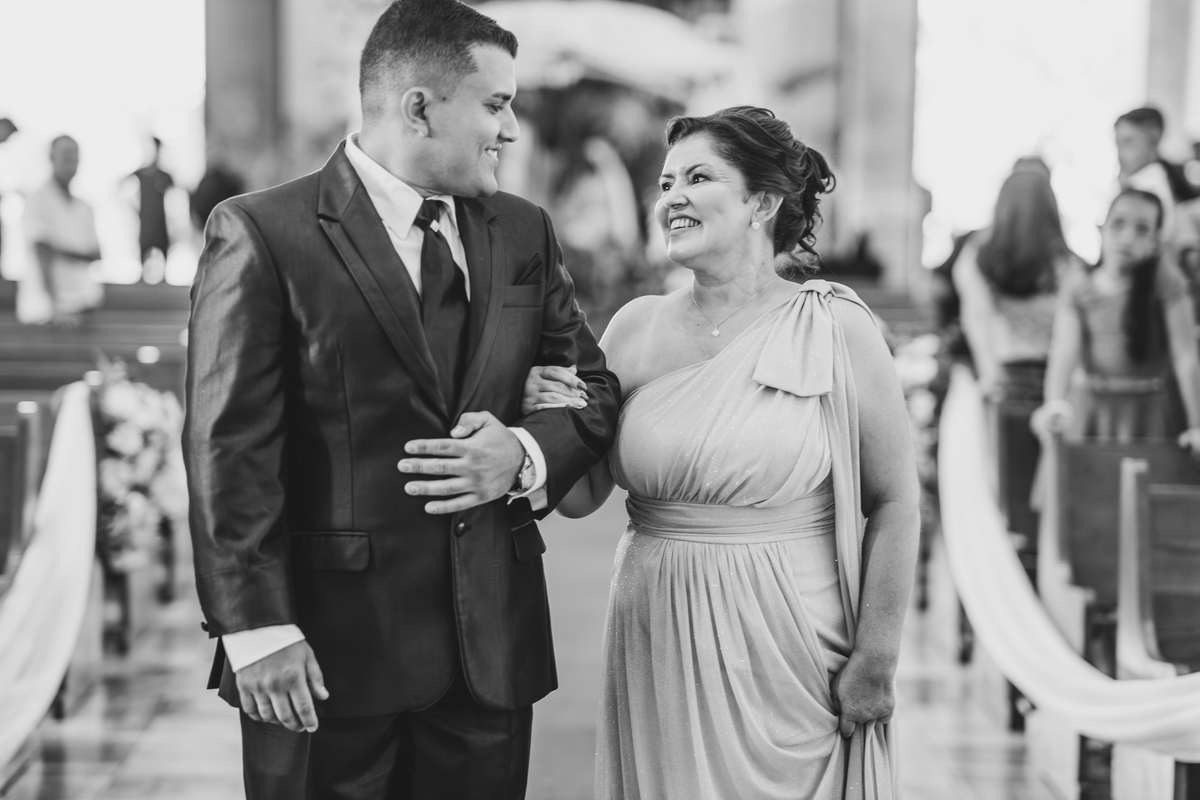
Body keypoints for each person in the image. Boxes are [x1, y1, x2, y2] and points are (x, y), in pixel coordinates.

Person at [183, 1, 621, 797]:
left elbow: (592, 388)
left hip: (490, 648)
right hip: (324, 654)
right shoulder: (263, 232)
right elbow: (229, 446)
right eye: (496, 104)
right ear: (419, 107)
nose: (511, 129)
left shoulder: (523, 232)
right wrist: (256, 629)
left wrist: (522, 453)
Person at [525, 106, 919, 799]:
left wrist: (877, 656)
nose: (671, 197)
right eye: (666, 183)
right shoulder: (634, 328)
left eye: (698, 178)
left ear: (762, 203)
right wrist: (542, 414)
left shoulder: (836, 326)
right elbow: (582, 495)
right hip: (657, 636)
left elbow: (894, 500)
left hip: (790, 646)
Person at [1033, 190, 1200, 452]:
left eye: (1142, 229)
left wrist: (1196, 425)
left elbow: (1185, 356)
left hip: (1149, 416)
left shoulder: (1166, 281)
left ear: (1155, 241)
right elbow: (1063, 353)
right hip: (1092, 415)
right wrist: (1054, 404)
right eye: (1118, 224)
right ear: (1102, 228)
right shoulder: (1079, 285)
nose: (1127, 237)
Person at [953, 160, 1079, 403]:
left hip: (1003, 373)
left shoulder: (977, 257)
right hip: (1059, 376)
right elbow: (1070, 329)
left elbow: (977, 319)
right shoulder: (1067, 263)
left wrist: (989, 372)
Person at [21, 134, 103, 325]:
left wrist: (56, 249)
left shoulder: (84, 206)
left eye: (75, 156)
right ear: (51, 157)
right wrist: (54, 307)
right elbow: (42, 254)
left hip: (84, 304)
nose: (71, 162)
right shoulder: (37, 198)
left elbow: (96, 254)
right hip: (48, 313)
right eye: (66, 155)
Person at [1114, 107, 1199, 234]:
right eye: (1117, 144)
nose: (1120, 154)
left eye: (1128, 142)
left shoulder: (1148, 190)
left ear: (1154, 136)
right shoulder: (1132, 182)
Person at [129, 136, 174, 281]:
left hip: (160, 221)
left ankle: (163, 278)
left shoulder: (164, 176)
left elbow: (177, 197)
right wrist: (133, 210)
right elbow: (120, 187)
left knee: (162, 246)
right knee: (144, 247)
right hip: (146, 220)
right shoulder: (141, 174)